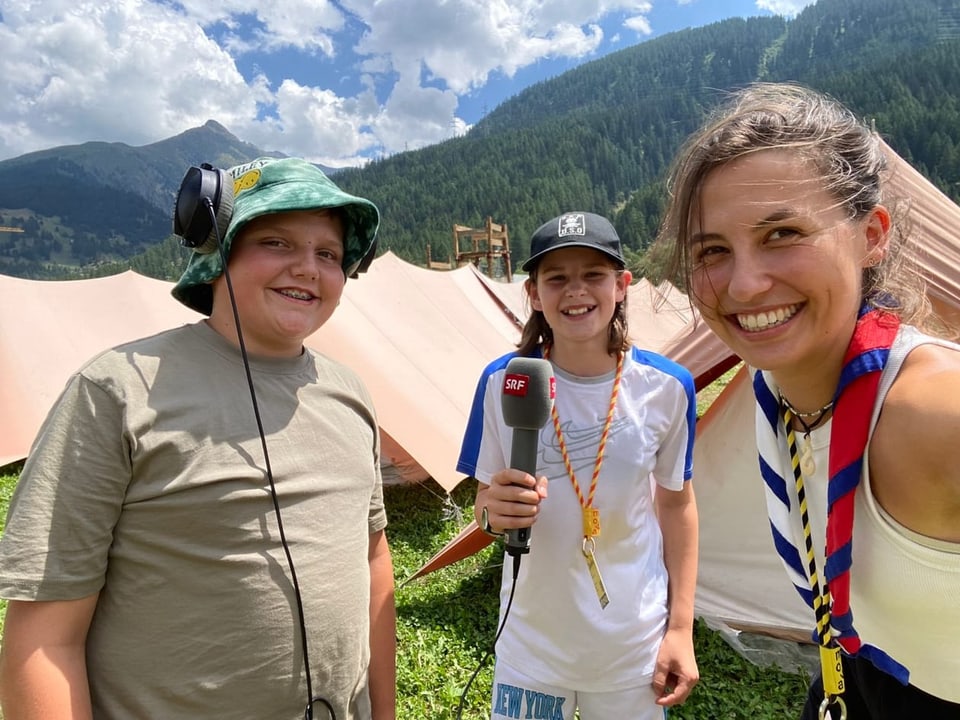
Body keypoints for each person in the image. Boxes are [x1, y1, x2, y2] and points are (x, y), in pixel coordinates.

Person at [0, 156, 397, 720]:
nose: (308, 268)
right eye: (277, 242)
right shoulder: (118, 389)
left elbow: (372, 557)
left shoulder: (350, 392)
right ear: (213, 248)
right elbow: (44, 635)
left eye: (328, 254)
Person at [658, 82, 960, 718]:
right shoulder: (780, 389)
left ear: (871, 235)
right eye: (713, 250)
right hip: (854, 676)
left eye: (782, 232)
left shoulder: (934, 413)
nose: (743, 284)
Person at [457, 211, 700, 720]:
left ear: (622, 285)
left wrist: (680, 628)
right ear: (533, 293)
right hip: (530, 649)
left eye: (592, 274)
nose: (575, 292)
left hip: (632, 648)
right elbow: (483, 506)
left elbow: (677, 506)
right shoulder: (504, 381)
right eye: (557, 278)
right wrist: (491, 514)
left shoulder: (667, 388)